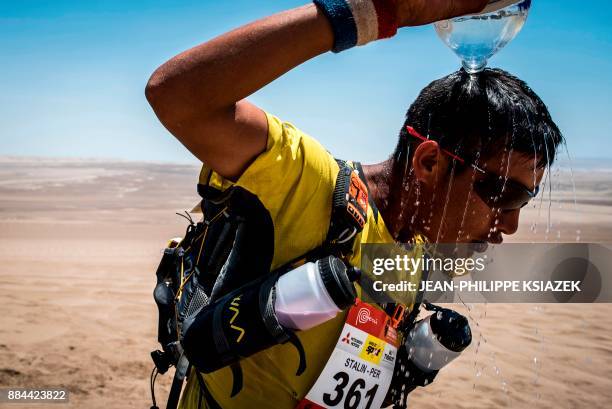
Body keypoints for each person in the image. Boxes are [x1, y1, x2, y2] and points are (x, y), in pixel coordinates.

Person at [145, 0, 563, 408]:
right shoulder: (306, 182)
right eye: (504, 194)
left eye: (526, 200)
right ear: (430, 162)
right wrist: (381, 10)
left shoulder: (414, 250)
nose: (510, 226)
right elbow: (178, 95)